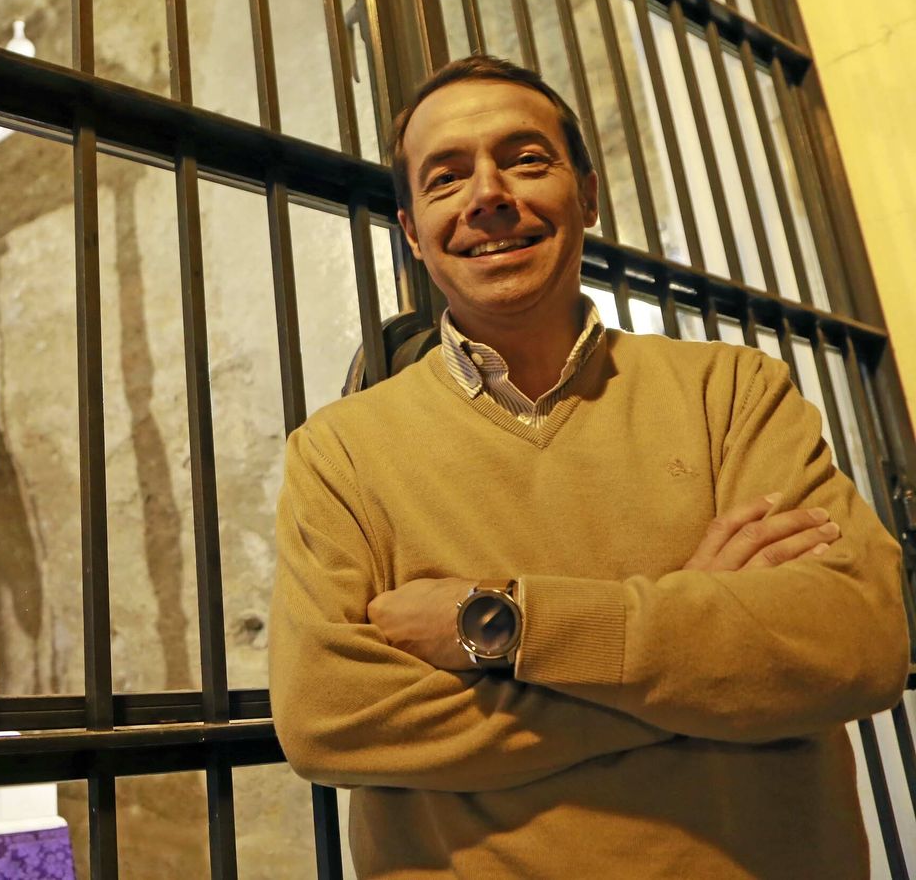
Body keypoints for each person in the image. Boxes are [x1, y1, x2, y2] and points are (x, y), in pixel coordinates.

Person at [269, 54, 910, 878]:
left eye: (526, 160)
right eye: (445, 178)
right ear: (413, 233)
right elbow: (328, 717)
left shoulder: (734, 394)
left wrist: (499, 626)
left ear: (590, 196)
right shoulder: (339, 453)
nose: (489, 196)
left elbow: (857, 639)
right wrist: (695, 659)